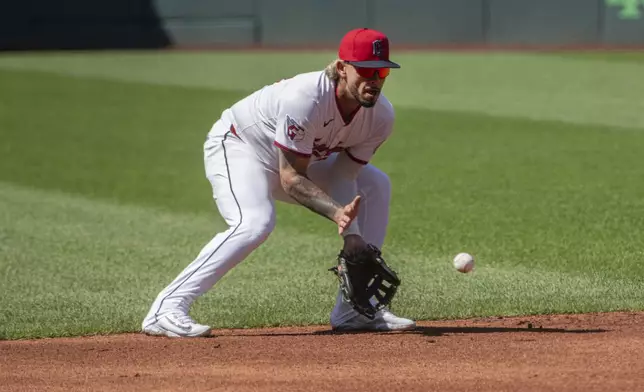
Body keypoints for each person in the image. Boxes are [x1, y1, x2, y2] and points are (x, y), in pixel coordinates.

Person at [142, 27, 416, 338]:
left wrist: (352, 237)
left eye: (381, 71)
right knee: (255, 222)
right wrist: (338, 214)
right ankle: (167, 307)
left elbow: (344, 175)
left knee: (376, 184)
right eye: (366, 70)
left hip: (297, 161)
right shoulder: (306, 98)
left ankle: (355, 310)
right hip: (241, 147)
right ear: (342, 68)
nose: (375, 80)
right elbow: (290, 178)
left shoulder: (381, 117)